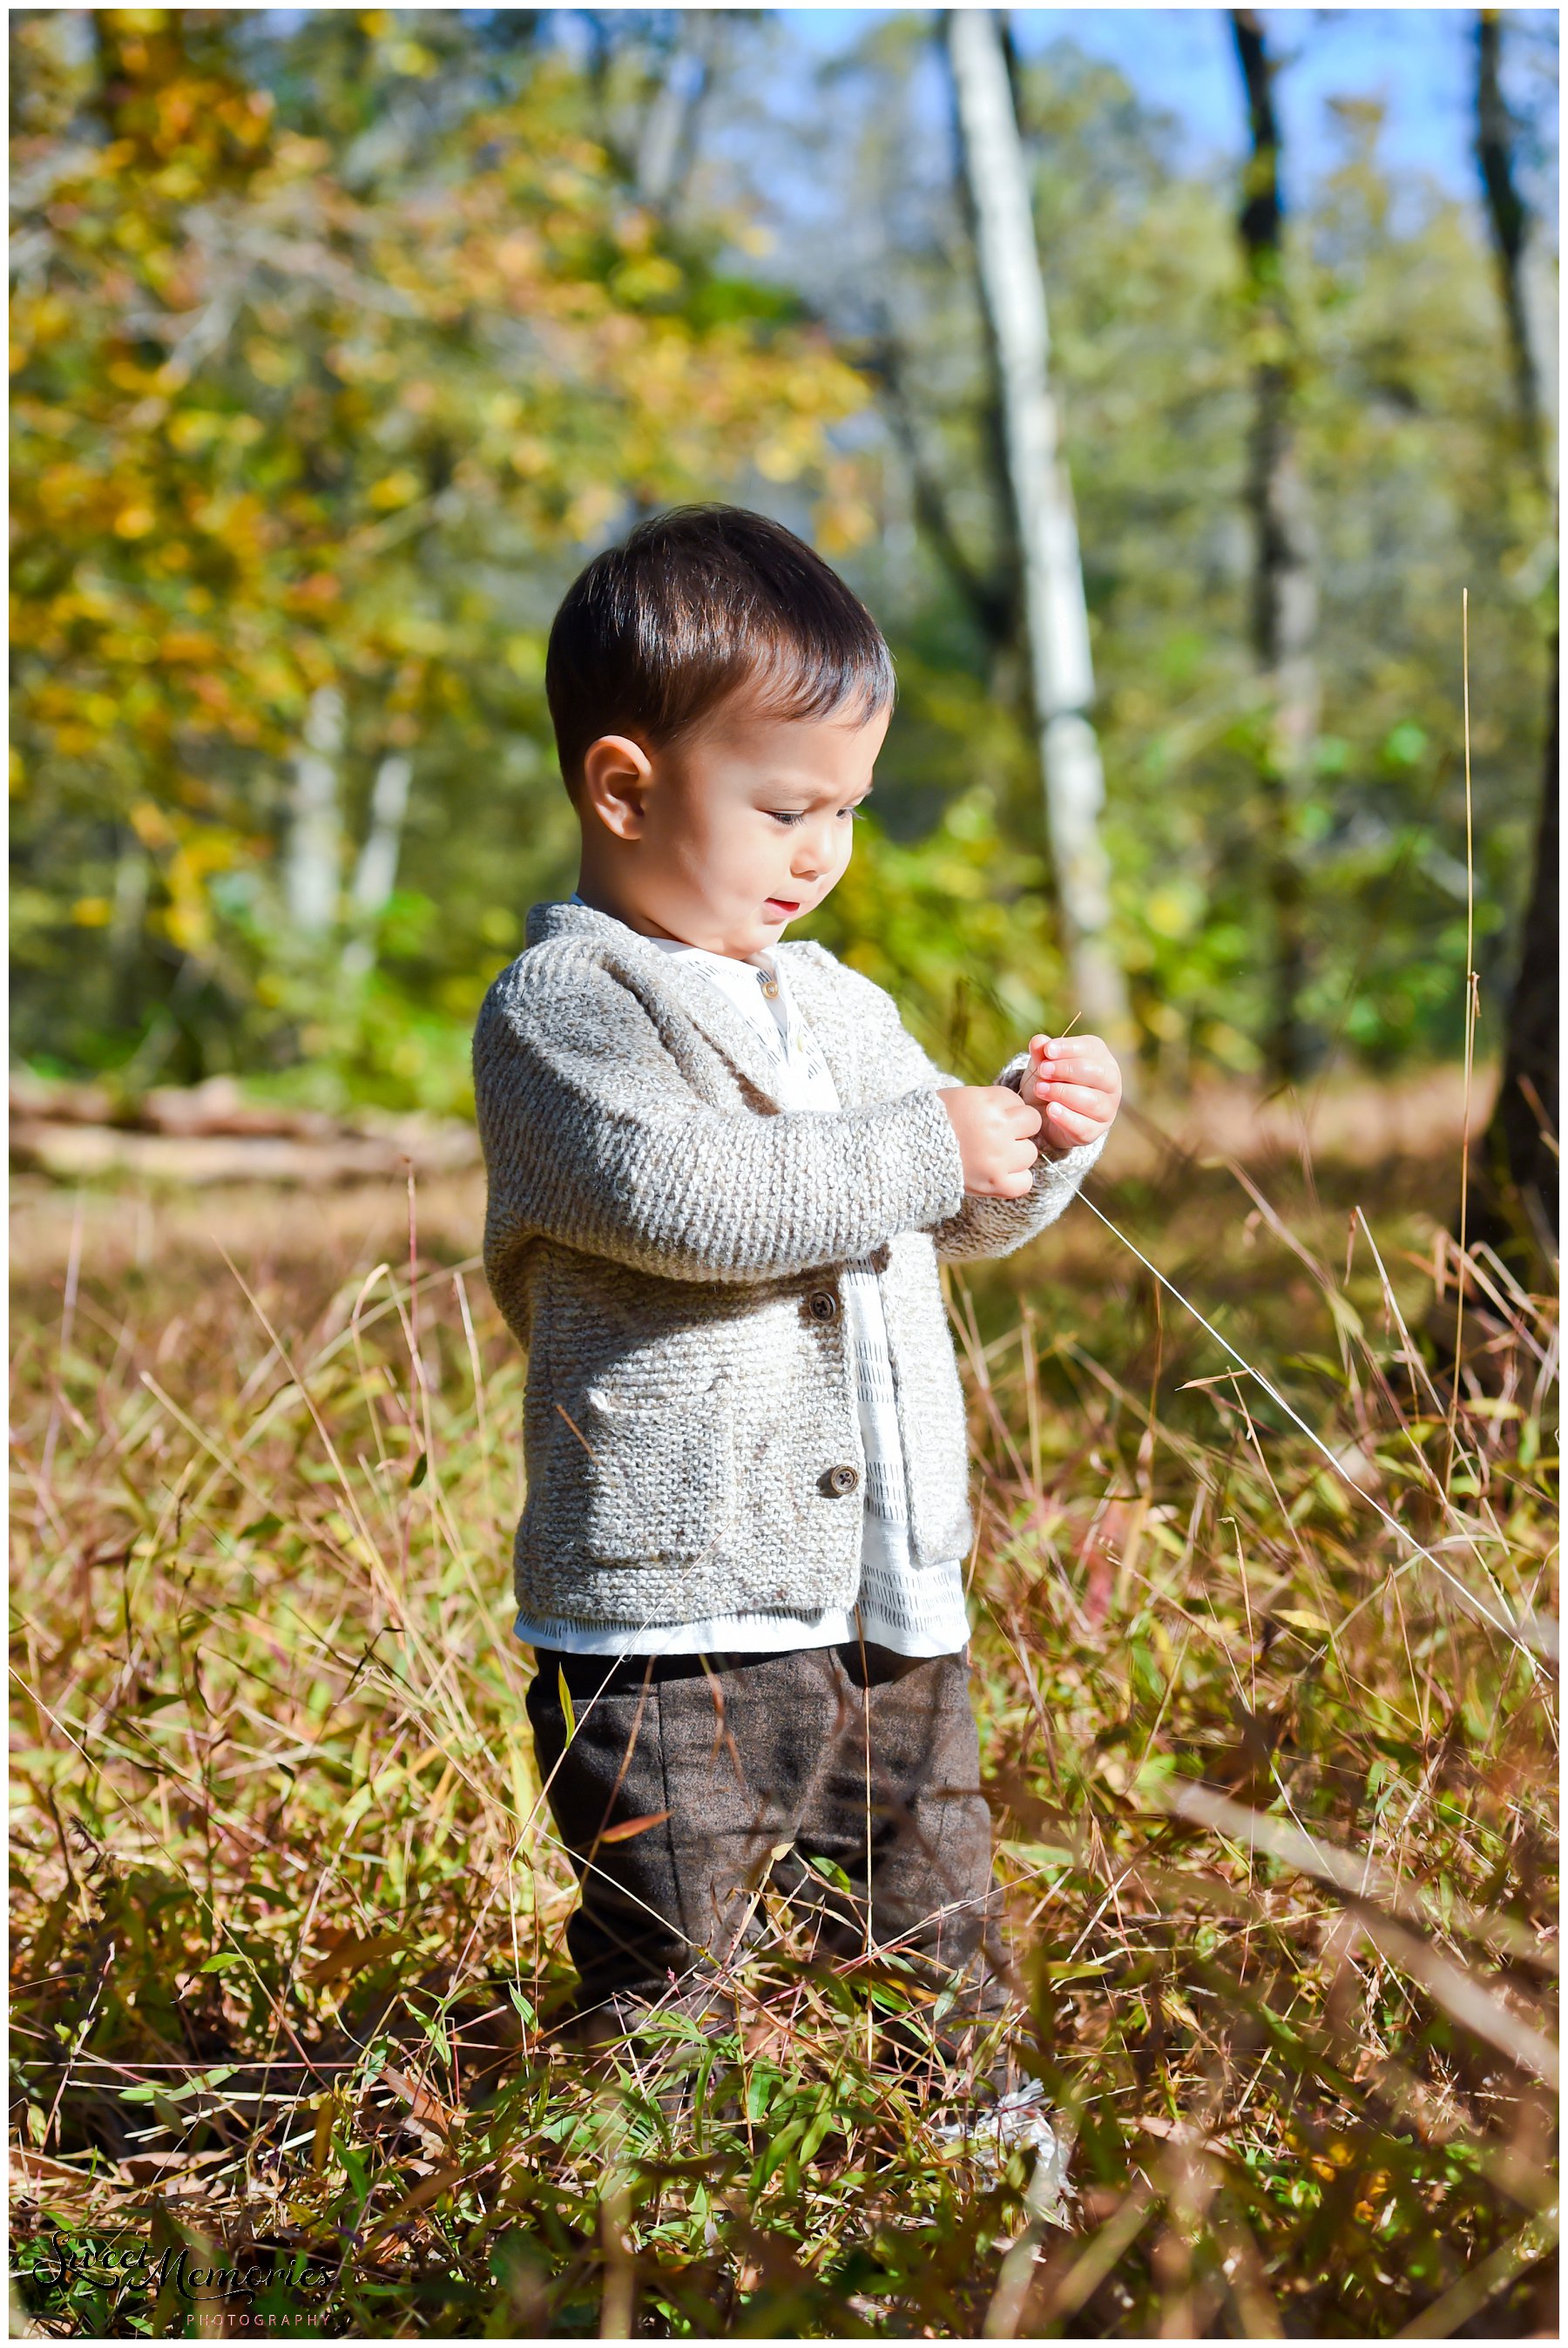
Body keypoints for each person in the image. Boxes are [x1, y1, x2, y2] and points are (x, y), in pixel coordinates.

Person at [472, 504, 1122, 2143]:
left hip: (887, 1586)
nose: (823, 852)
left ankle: (980, 2156)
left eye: (848, 809)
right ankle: (648, 2213)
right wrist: (921, 1147)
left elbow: (949, 1212)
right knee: (671, 1941)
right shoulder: (566, 1009)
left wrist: (1037, 1144)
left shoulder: (839, 1000)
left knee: (937, 1916)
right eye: (783, 809)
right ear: (624, 788)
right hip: (675, 1607)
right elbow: (682, 1199)